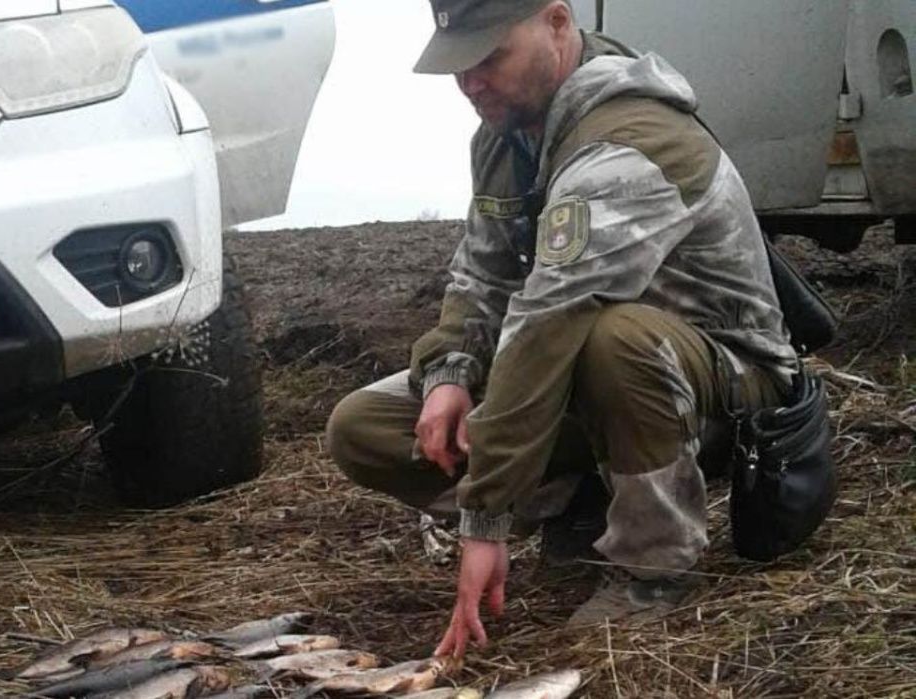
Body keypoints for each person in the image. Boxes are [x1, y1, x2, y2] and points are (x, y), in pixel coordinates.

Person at [325, 0, 799, 659]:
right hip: (587, 378)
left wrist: (485, 517)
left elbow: (549, 321)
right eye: (459, 65)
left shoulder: (627, 141)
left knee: (615, 340)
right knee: (362, 427)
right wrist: (451, 373)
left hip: (722, 391)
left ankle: (654, 568)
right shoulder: (506, 134)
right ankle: (582, 500)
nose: (471, 83)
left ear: (555, 23)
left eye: (489, 57)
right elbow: (481, 276)